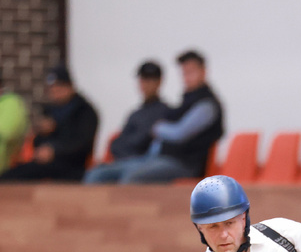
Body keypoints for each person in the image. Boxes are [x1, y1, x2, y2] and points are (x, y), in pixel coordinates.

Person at [86, 50, 223, 184]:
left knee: (132, 177)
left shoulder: (206, 105)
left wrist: (158, 128)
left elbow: (179, 133)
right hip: (157, 158)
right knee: (97, 174)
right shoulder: (186, 102)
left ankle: (127, 207)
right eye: (184, 73)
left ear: (203, 71)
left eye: (191, 72)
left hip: (183, 164)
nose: (186, 77)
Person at [0, 65, 98, 181]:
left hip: (72, 166)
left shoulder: (84, 111)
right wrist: (42, 133)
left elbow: (81, 143)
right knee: (7, 177)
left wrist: (54, 149)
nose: (55, 92)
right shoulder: (50, 111)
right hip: (45, 164)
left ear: (70, 87)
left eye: (59, 88)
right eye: (52, 89)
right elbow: (38, 142)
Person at [104, 61, 171, 162]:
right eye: (142, 80)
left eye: (149, 80)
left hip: (143, 162)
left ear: (159, 82)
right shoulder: (135, 114)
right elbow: (116, 144)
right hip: (125, 160)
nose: (144, 84)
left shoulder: (165, 111)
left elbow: (143, 142)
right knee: (96, 173)